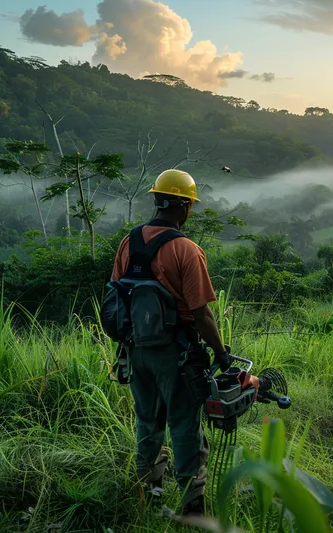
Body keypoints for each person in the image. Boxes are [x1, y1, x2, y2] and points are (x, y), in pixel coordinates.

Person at [110, 169, 230, 517]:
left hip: (134, 351)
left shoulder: (128, 242)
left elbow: (116, 296)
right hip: (174, 354)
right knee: (183, 424)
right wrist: (221, 355)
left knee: (148, 422)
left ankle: (148, 493)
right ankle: (192, 508)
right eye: (190, 204)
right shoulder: (186, 250)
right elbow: (201, 314)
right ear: (183, 206)